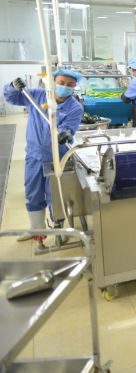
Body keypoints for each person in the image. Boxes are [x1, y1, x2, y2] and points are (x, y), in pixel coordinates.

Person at [3, 70, 84, 246]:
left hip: (56, 157)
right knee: (32, 192)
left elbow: (70, 128)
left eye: (70, 85)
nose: (65, 87)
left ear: (74, 87)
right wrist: (12, 87)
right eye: (61, 82)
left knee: (55, 194)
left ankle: (58, 229)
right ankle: (36, 228)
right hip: (33, 155)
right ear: (53, 81)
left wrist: (66, 134)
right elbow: (12, 98)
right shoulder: (37, 95)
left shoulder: (75, 107)